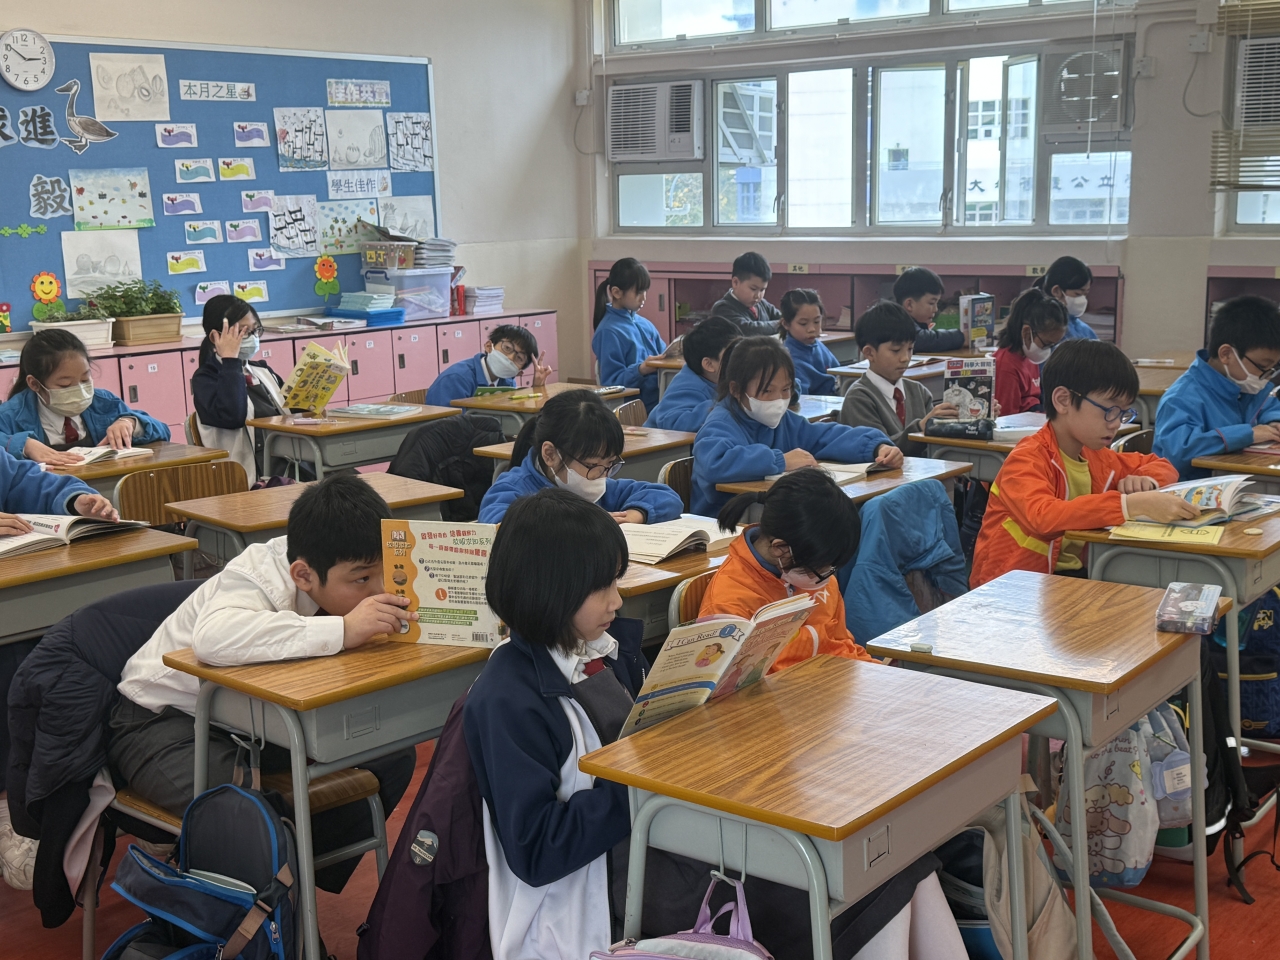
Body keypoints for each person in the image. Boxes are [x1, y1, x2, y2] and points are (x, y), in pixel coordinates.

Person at [110, 475, 418, 893]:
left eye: (383, 572)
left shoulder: (331, 565)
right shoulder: (257, 575)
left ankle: (295, 880)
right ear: (303, 575)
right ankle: (272, 886)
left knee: (391, 753)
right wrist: (344, 629)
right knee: (251, 811)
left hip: (254, 726)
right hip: (161, 724)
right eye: (362, 579)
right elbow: (212, 639)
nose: (377, 590)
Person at [463, 487, 646, 959]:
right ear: (550, 590)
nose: (617, 601)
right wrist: (644, 788)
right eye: (602, 587)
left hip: (627, 879)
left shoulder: (602, 653)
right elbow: (537, 849)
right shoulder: (507, 699)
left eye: (616, 581)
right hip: (568, 923)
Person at [970, 340, 1192, 588]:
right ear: (1063, 400)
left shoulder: (1097, 456)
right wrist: (1129, 505)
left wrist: (1145, 480)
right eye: (1109, 410)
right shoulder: (1027, 458)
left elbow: (1162, 465)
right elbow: (1043, 517)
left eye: (1123, 413)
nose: (1116, 423)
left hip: (1069, 580)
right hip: (1008, 589)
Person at [690, 337, 899, 517]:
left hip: (772, 516)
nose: (778, 400)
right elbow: (716, 463)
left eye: (786, 389)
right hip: (723, 523)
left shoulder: (784, 421)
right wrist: (781, 461)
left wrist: (876, 447)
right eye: (767, 391)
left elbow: (825, 436)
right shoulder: (720, 424)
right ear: (736, 390)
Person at [700, 468, 873, 673]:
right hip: (787, 690)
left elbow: (843, 645)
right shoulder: (728, 601)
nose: (827, 576)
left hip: (830, 682)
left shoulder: (816, 574)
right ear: (781, 548)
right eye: (819, 568)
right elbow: (736, 682)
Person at [478, 389, 683, 524]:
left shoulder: (599, 485)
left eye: (610, 464)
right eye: (593, 465)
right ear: (550, 454)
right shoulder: (513, 489)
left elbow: (667, 497)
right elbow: (498, 527)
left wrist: (634, 515)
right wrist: (584, 525)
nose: (603, 476)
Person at [1154, 295, 1280, 479]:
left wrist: (1274, 422)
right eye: (1263, 366)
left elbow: (1267, 405)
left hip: (1232, 479)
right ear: (1226, 354)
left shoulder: (1244, 384)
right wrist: (1248, 434)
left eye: (1274, 367)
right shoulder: (1181, 398)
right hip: (1188, 489)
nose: (1267, 375)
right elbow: (1178, 452)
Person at [0, 328, 169, 464]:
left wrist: (130, 423)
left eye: (84, 379)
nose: (79, 390)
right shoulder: (10, 416)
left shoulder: (104, 403)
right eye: (65, 385)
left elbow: (163, 431)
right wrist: (24, 445)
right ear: (34, 384)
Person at [841, 301, 960, 456]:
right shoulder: (859, 398)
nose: (905, 358)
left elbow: (936, 445)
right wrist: (921, 427)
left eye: (910, 349)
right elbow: (880, 450)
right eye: (896, 350)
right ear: (869, 353)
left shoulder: (919, 391)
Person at [189, 296, 286, 485]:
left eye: (255, 330)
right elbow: (232, 416)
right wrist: (230, 360)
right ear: (215, 337)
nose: (253, 338)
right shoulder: (205, 379)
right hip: (245, 479)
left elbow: (292, 413)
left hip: (287, 467)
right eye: (243, 332)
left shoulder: (262, 371)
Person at [592, 257, 666, 413]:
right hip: (637, 410)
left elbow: (664, 355)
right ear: (617, 292)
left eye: (645, 291)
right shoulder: (609, 331)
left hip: (660, 401)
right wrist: (641, 370)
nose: (644, 297)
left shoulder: (645, 324)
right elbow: (611, 385)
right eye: (638, 292)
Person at [644, 316, 740, 432]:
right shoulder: (687, 385)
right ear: (709, 364)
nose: (739, 359)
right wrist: (729, 403)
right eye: (731, 355)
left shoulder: (719, 379)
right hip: (660, 441)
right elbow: (672, 423)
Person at [424, 323, 551, 408]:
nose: (510, 358)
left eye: (519, 358)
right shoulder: (456, 379)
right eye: (507, 348)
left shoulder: (508, 382)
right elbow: (445, 426)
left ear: (520, 371)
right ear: (489, 346)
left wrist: (537, 388)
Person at [993, 287, 1069, 415]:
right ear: (1027, 333)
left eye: (1053, 345)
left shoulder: (1029, 356)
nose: (1048, 351)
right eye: (1046, 344)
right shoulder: (1006, 366)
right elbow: (1006, 419)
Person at [779, 289, 840, 396]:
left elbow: (838, 372)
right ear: (786, 324)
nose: (812, 329)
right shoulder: (790, 359)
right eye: (803, 323)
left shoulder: (817, 345)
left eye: (817, 321)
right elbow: (802, 400)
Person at [709, 251, 783, 336]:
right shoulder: (722, 309)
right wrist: (783, 324)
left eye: (762, 290)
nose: (758, 296)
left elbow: (785, 318)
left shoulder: (762, 304)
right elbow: (750, 330)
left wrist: (787, 321)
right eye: (753, 289)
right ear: (735, 282)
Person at [894, 266, 965, 352]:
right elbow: (921, 340)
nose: (936, 309)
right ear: (909, 305)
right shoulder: (895, 323)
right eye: (931, 303)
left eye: (937, 303)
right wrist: (961, 337)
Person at [1035, 255, 1097, 340]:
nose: (1083, 300)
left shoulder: (1085, 330)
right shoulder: (1041, 326)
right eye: (1078, 294)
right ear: (1056, 291)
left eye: (1085, 294)